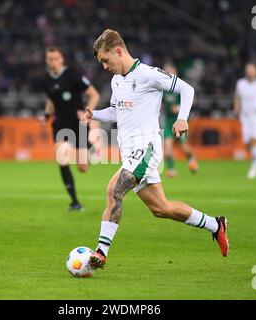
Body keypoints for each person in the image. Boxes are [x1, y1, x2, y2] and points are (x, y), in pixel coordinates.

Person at [81, 29, 229, 270]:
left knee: (113, 189)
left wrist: (182, 118)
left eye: (105, 60)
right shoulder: (117, 80)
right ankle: (216, 225)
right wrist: (93, 114)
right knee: (161, 209)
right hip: (129, 152)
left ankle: (101, 252)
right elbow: (117, 111)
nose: (104, 66)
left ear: (119, 51)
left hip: (146, 148)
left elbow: (187, 89)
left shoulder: (149, 74)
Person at [41, 47, 100, 211]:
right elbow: (51, 101)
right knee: (62, 159)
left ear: (62, 60)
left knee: (82, 168)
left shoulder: (73, 75)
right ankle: (74, 202)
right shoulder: (46, 80)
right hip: (60, 123)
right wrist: (46, 116)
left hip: (78, 123)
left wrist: (88, 113)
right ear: (47, 61)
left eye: (55, 58)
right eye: (50, 59)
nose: (52, 62)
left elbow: (94, 94)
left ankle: (88, 146)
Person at [162, 63, 198, 177]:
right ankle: (172, 170)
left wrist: (179, 109)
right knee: (167, 147)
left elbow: (191, 99)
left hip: (178, 121)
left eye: (171, 72)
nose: (169, 74)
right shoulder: (162, 89)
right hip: (168, 122)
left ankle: (191, 159)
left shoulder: (180, 87)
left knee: (184, 147)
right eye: (167, 72)